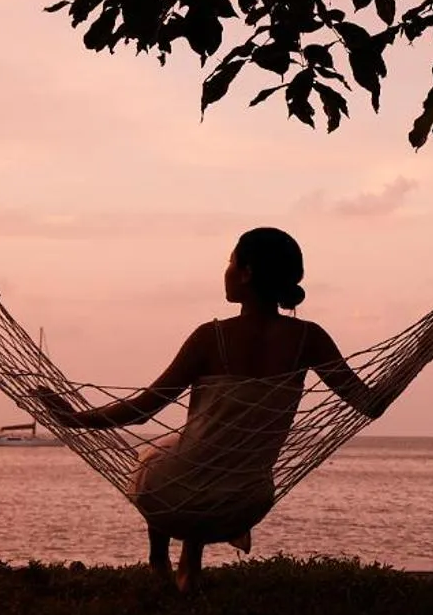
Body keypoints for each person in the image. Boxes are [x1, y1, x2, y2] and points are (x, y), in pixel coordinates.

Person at [38, 227, 382, 590]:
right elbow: (367, 404)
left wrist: (72, 419)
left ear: (247, 273)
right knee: (208, 458)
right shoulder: (309, 338)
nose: (226, 271)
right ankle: (191, 561)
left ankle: (160, 558)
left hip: (173, 497)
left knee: (157, 459)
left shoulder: (210, 337)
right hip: (245, 502)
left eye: (231, 262)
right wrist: (422, 348)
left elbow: (142, 411)